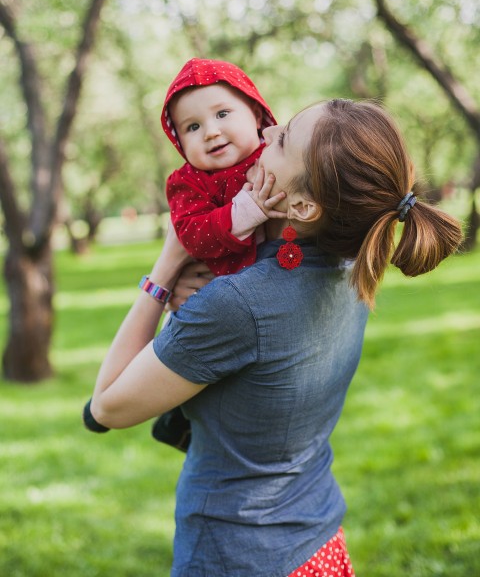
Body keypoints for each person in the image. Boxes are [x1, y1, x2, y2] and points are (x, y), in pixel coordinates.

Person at [83, 99, 462, 577]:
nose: (264, 134)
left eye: (282, 139)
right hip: (316, 539)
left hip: (237, 553)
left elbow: (107, 407)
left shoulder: (238, 305)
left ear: (303, 205)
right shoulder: (355, 263)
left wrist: (166, 267)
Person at [152, 58, 282, 449]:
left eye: (222, 113)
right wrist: (245, 213)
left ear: (256, 112)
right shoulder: (187, 183)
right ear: (179, 141)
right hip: (209, 293)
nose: (211, 132)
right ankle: (176, 417)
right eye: (192, 127)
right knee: (185, 348)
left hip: (267, 290)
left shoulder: (278, 154)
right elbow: (192, 236)